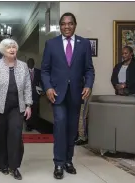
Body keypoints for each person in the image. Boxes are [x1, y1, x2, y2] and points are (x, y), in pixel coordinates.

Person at [41, 12, 95, 179]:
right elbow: (45, 70)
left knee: (72, 129)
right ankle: (58, 162)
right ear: (60, 26)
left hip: (76, 93)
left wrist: (88, 85)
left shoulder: (84, 44)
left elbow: (89, 69)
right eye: (63, 24)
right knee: (60, 124)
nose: (67, 26)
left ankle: (68, 161)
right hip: (57, 94)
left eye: (70, 23)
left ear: (75, 25)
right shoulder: (51, 44)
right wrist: (48, 88)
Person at [0, 38, 32, 180]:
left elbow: (28, 87)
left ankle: (14, 166)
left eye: (14, 47)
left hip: (17, 106)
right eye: (8, 47)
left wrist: (29, 105)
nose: (12, 49)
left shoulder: (23, 66)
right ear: (3, 51)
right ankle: (2, 164)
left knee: (15, 135)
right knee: (0, 135)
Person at [26, 58, 41, 131]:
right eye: (29, 62)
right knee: (28, 110)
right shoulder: (24, 72)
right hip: (26, 95)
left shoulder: (38, 71)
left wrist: (43, 89)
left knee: (35, 110)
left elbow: (42, 81)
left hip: (36, 94)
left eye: (32, 62)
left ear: (34, 63)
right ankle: (28, 125)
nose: (30, 64)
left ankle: (34, 124)